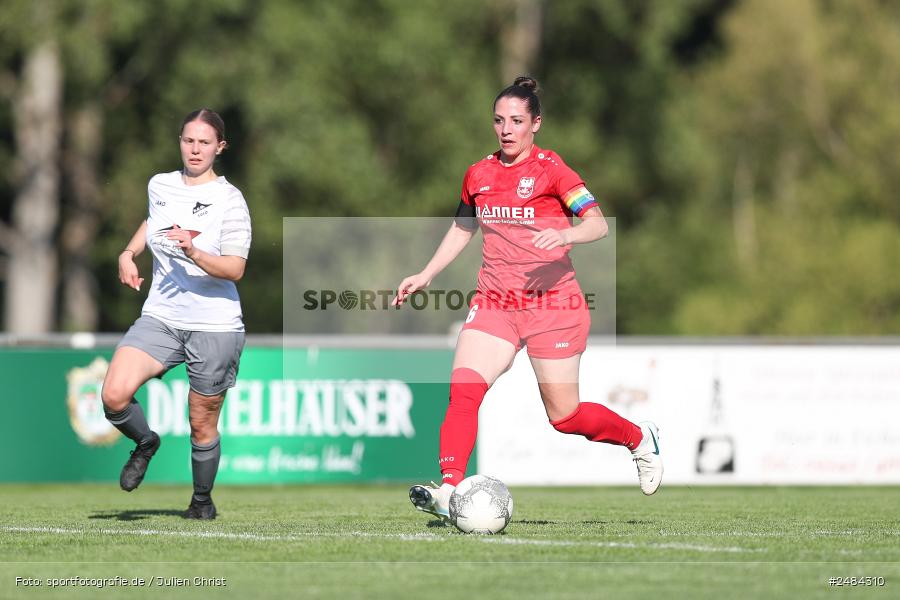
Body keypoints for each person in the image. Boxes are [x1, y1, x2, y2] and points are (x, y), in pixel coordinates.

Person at [393, 77, 662, 520]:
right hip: (495, 303)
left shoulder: (554, 171)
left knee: (565, 417)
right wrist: (426, 274)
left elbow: (598, 224)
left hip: (553, 306)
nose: (506, 129)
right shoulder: (478, 174)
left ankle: (639, 438)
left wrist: (565, 233)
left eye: (517, 121)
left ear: (536, 123)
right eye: (499, 120)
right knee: (463, 392)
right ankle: (450, 489)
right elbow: (463, 227)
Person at [101, 109, 251, 520]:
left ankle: (201, 502)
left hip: (214, 325)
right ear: (180, 143)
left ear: (220, 147)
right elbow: (154, 221)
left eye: (205, 142)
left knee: (201, 423)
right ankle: (145, 442)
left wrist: (194, 252)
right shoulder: (160, 184)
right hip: (162, 317)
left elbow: (235, 268)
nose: (195, 149)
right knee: (113, 395)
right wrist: (129, 252)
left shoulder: (230, 199)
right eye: (189, 140)